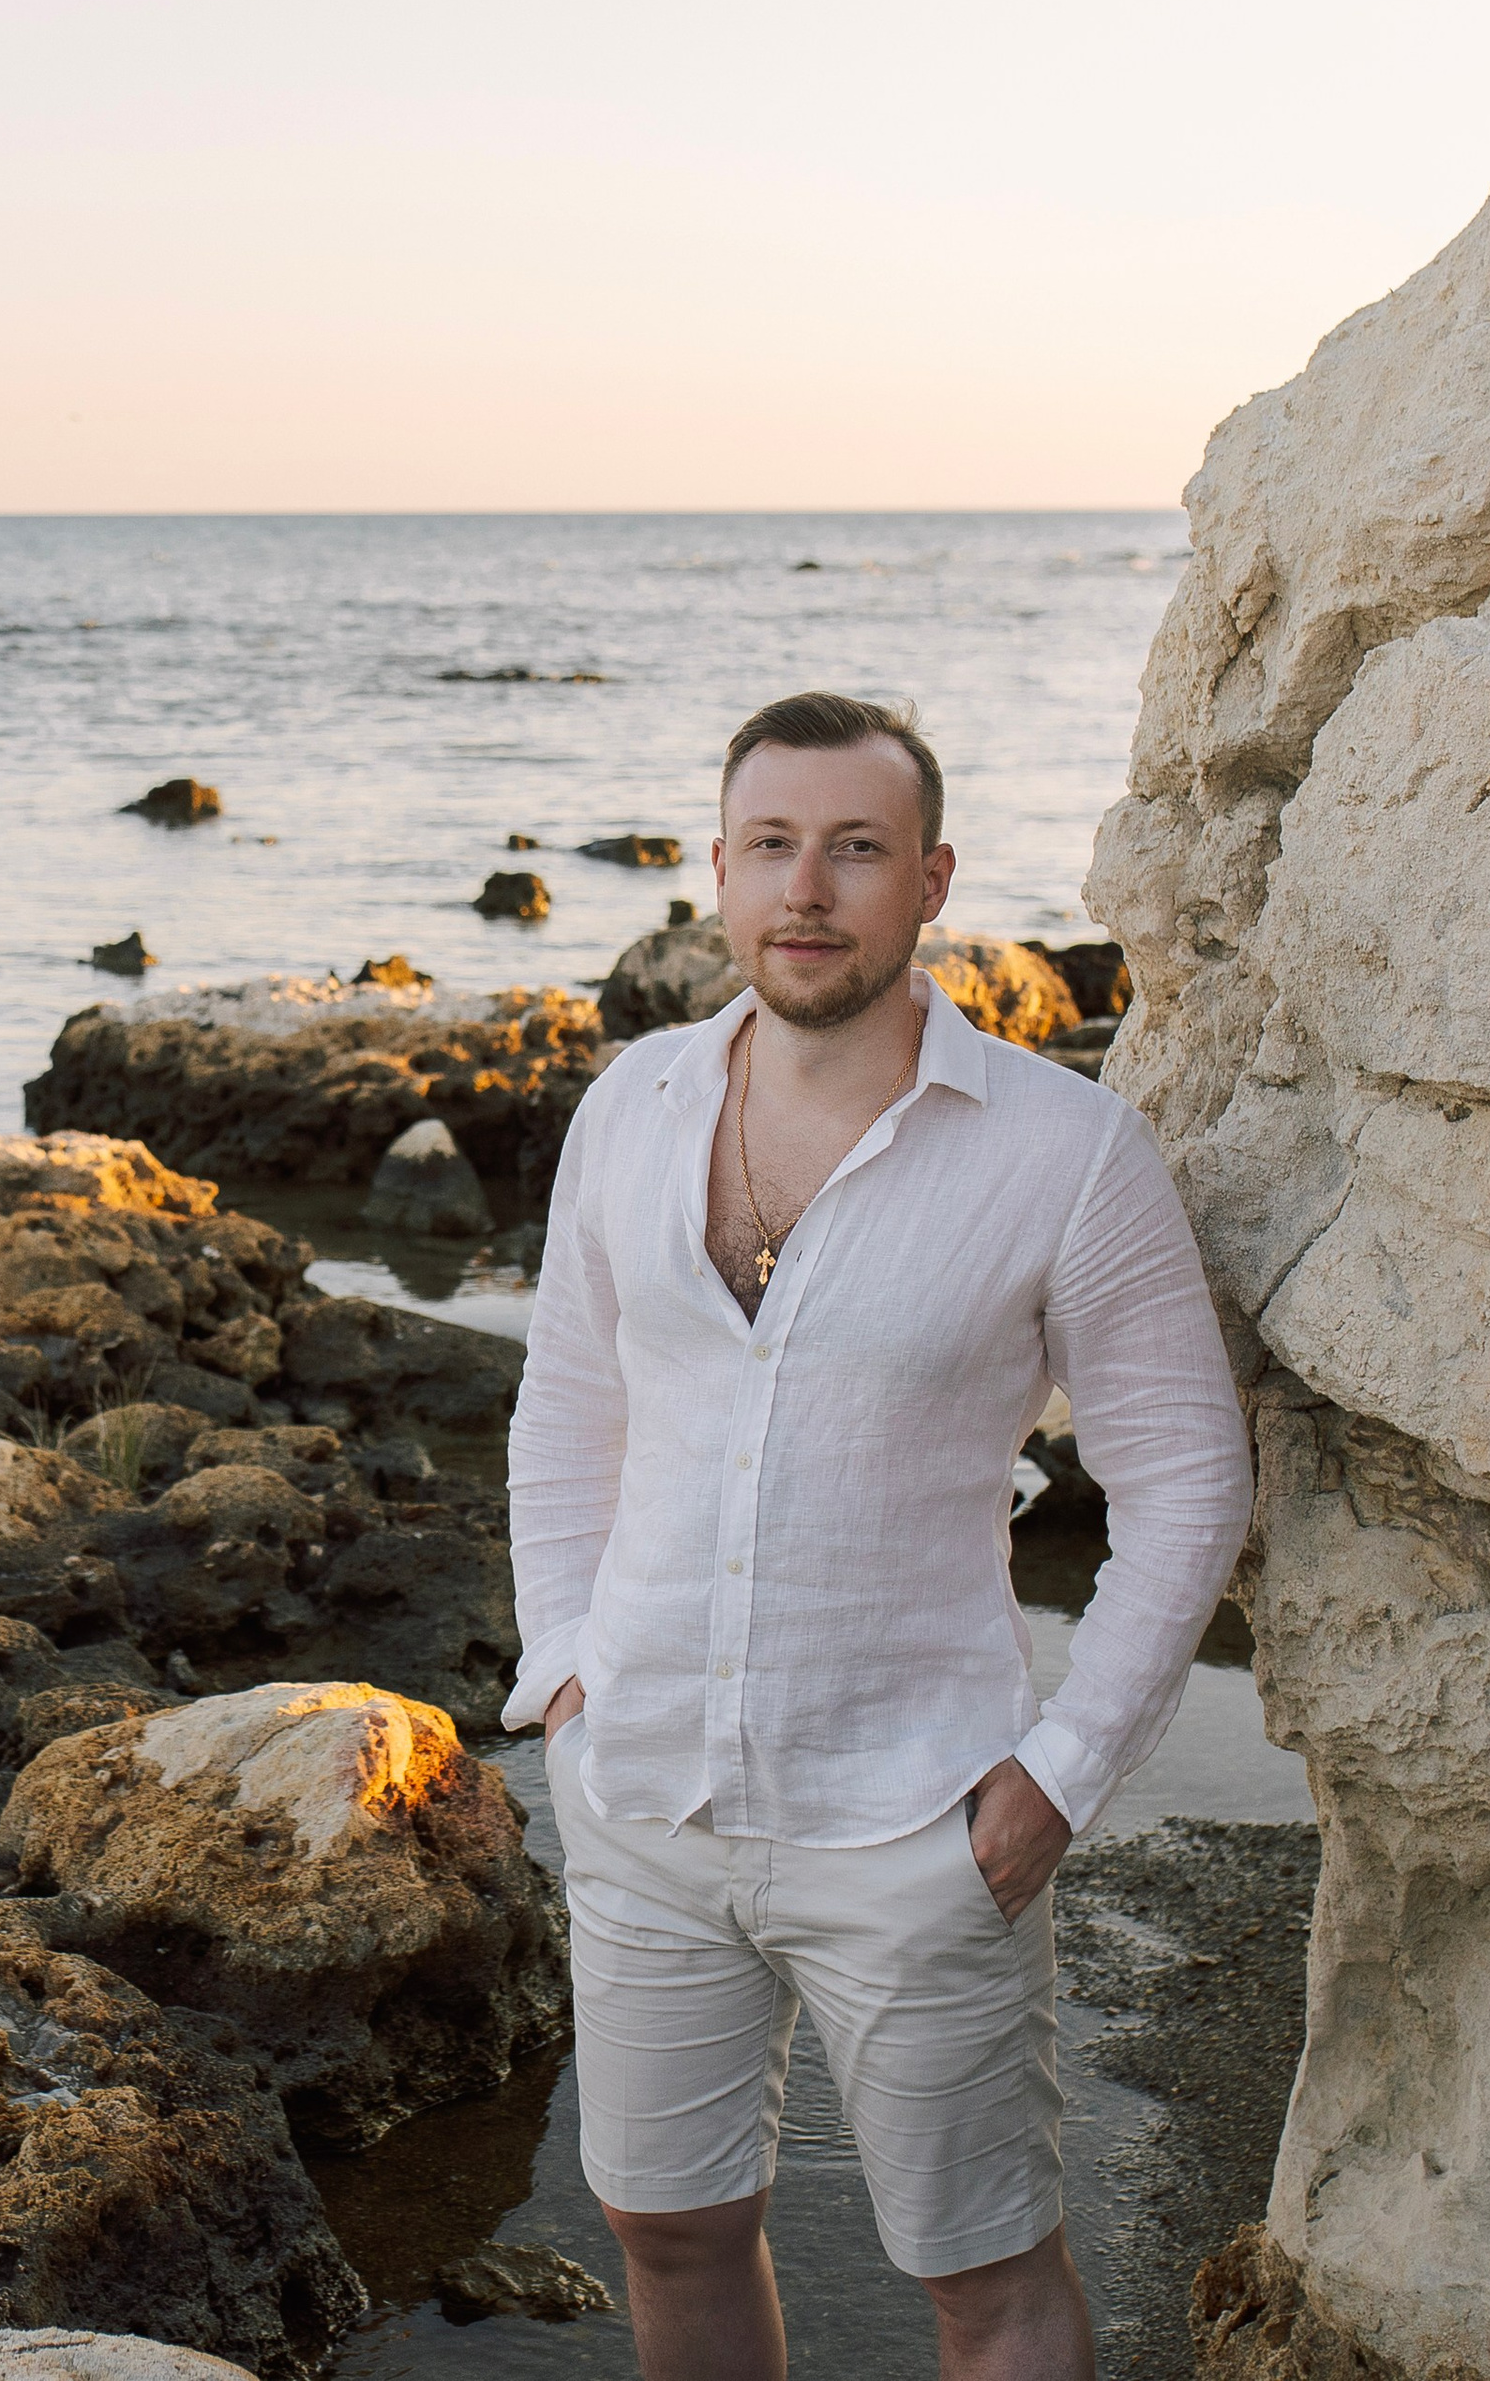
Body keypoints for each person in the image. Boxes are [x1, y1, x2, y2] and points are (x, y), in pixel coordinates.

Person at [508, 691, 1251, 2381]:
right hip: (640, 1796)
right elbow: (566, 1412)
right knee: (667, 2228)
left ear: (930, 881)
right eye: (773, 845)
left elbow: (1189, 1480)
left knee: (982, 2278)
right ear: (717, 870)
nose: (810, 889)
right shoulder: (628, 1107)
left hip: (920, 1818)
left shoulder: (1067, 1152)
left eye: (856, 849)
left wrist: (1059, 1777)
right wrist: (561, 1675)